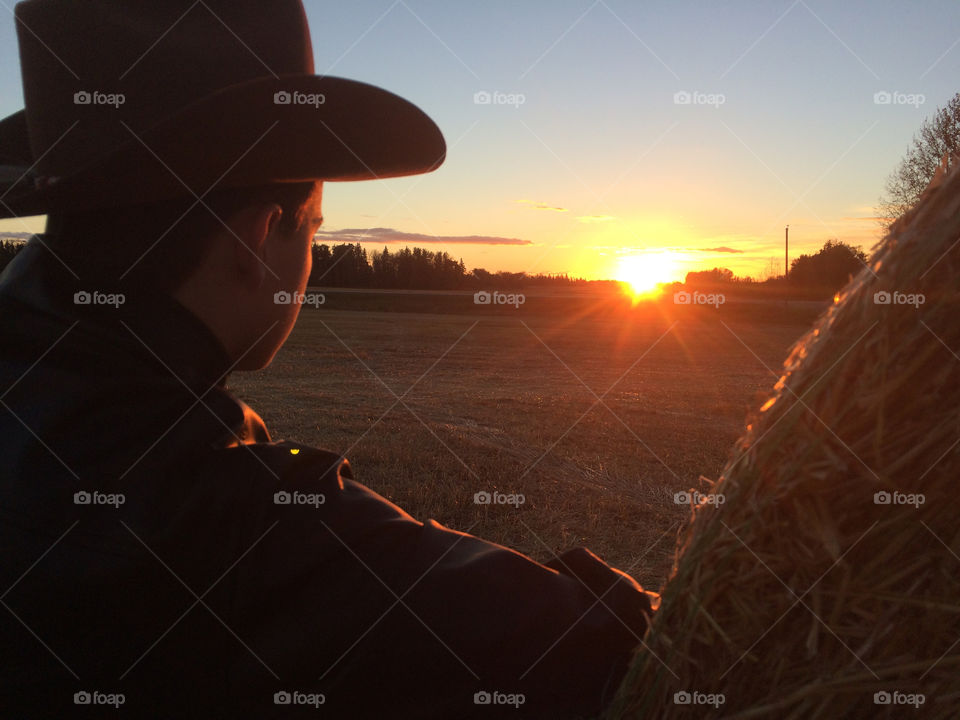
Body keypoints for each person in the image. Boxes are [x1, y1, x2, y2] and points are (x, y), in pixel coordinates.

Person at [0, 1, 656, 717]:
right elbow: (620, 650)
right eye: (314, 226)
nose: (311, 255)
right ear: (258, 239)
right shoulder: (222, 528)